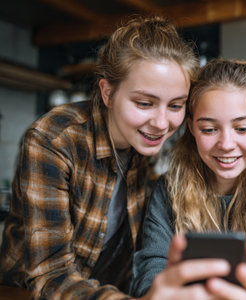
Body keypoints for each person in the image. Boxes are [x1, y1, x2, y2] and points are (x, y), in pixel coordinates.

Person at [0, 16, 198, 299]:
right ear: (107, 92)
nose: (162, 123)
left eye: (176, 105)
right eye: (144, 103)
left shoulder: (145, 146)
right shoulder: (54, 140)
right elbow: (51, 276)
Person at [130, 58, 246, 300]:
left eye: (242, 129)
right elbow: (152, 269)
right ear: (191, 127)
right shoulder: (167, 190)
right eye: (209, 129)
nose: (227, 145)